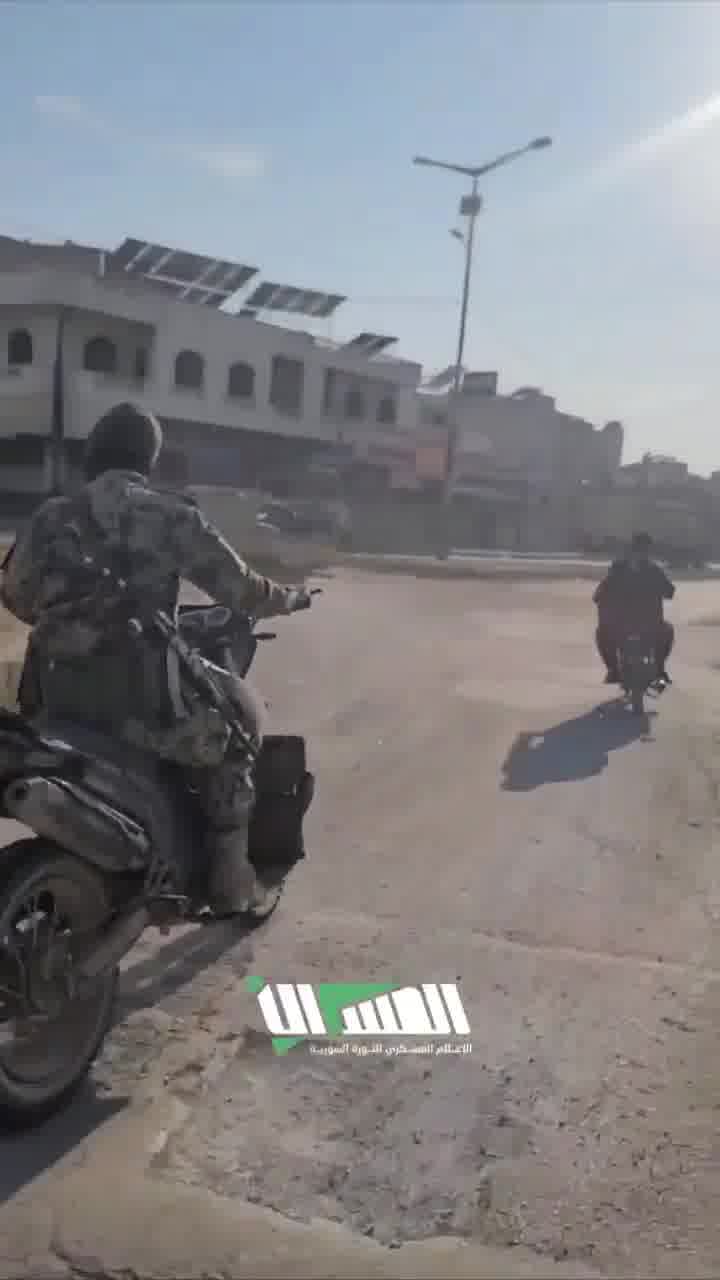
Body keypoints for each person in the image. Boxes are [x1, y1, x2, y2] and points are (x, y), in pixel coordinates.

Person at [0, 402, 313, 916]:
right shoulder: (170, 515)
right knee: (233, 743)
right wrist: (294, 596)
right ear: (149, 460)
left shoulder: (50, 516)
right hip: (143, 714)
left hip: (52, 701)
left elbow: (15, 597)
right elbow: (245, 593)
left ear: (92, 457)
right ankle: (231, 886)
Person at [593, 531, 675, 684]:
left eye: (643, 549)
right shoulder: (645, 569)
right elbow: (669, 591)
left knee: (667, 632)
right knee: (667, 631)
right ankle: (618, 670)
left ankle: (618, 670)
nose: (641, 553)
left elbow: (601, 591)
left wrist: (600, 597)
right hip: (641, 624)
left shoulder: (646, 570)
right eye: (640, 549)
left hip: (630, 624)